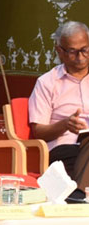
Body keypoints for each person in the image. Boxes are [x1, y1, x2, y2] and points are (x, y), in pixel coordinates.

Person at [28, 21, 89, 199]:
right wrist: (65, 125)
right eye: (73, 51)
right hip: (64, 150)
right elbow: (39, 131)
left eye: (85, 49)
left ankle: (77, 195)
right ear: (59, 51)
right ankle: (79, 197)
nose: (80, 57)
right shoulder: (47, 82)